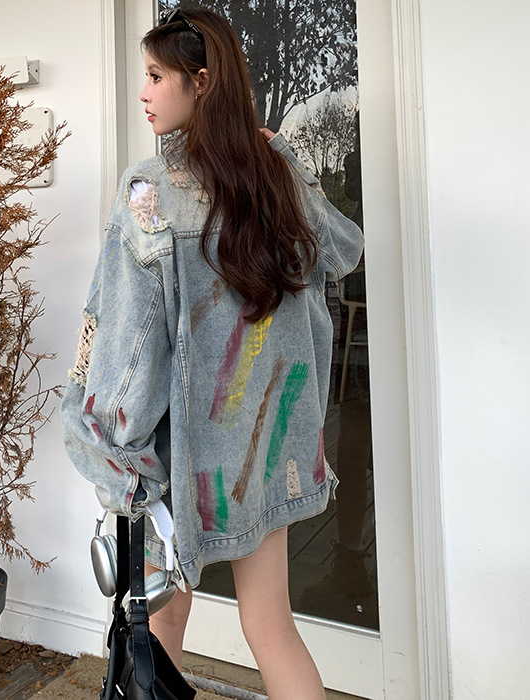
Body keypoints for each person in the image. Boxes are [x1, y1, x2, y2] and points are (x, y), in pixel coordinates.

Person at [61, 7, 364, 700]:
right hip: (265, 451)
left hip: (177, 463)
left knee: (160, 627)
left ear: (201, 82)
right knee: (271, 626)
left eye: (156, 76)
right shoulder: (274, 178)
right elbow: (342, 250)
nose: (144, 92)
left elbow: (126, 344)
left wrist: (111, 452)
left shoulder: (148, 192)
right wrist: (287, 160)